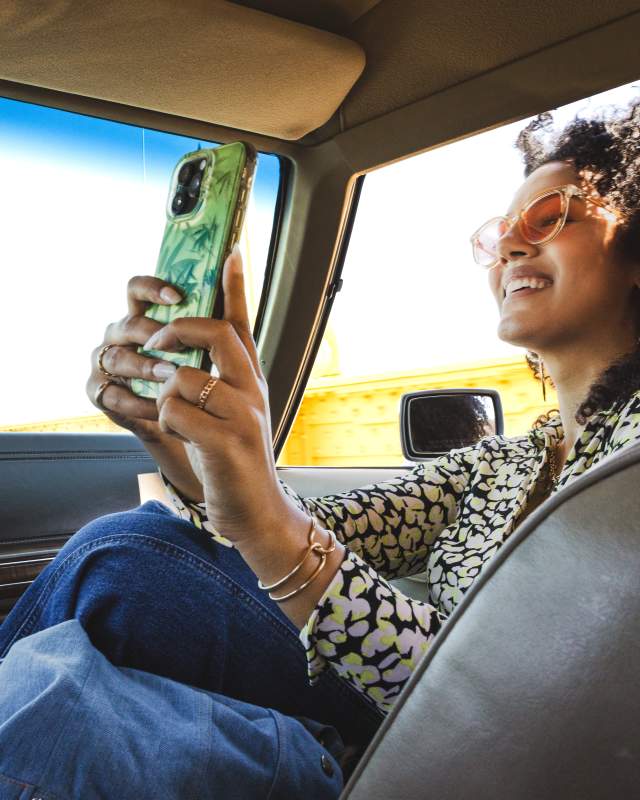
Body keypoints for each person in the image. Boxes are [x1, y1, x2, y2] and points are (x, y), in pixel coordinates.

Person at [2, 100, 640, 798]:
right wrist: (186, 444)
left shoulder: (627, 466)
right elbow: (303, 533)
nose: (513, 244)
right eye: (497, 234)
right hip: (394, 702)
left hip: (475, 742)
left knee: (119, 556)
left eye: (549, 215)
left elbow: (523, 708)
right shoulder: (501, 463)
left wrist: (269, 521)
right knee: (95, 618)